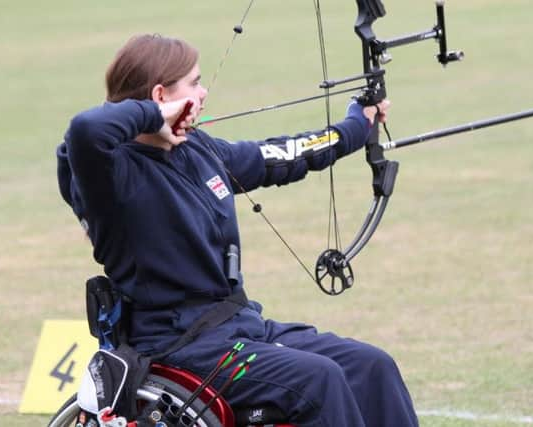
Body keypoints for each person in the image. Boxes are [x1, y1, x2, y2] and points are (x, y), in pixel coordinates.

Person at [57, 33, 418, 427]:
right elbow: (86, 129)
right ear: (160, 96)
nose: (204, 92)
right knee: (320, 379)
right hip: (179, 345)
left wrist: (356, 124)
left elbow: (284, 155)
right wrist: (154, 116)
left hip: (237, 328)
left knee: (371, 366)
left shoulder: (198, 150)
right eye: (194, 84)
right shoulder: (110, 174)